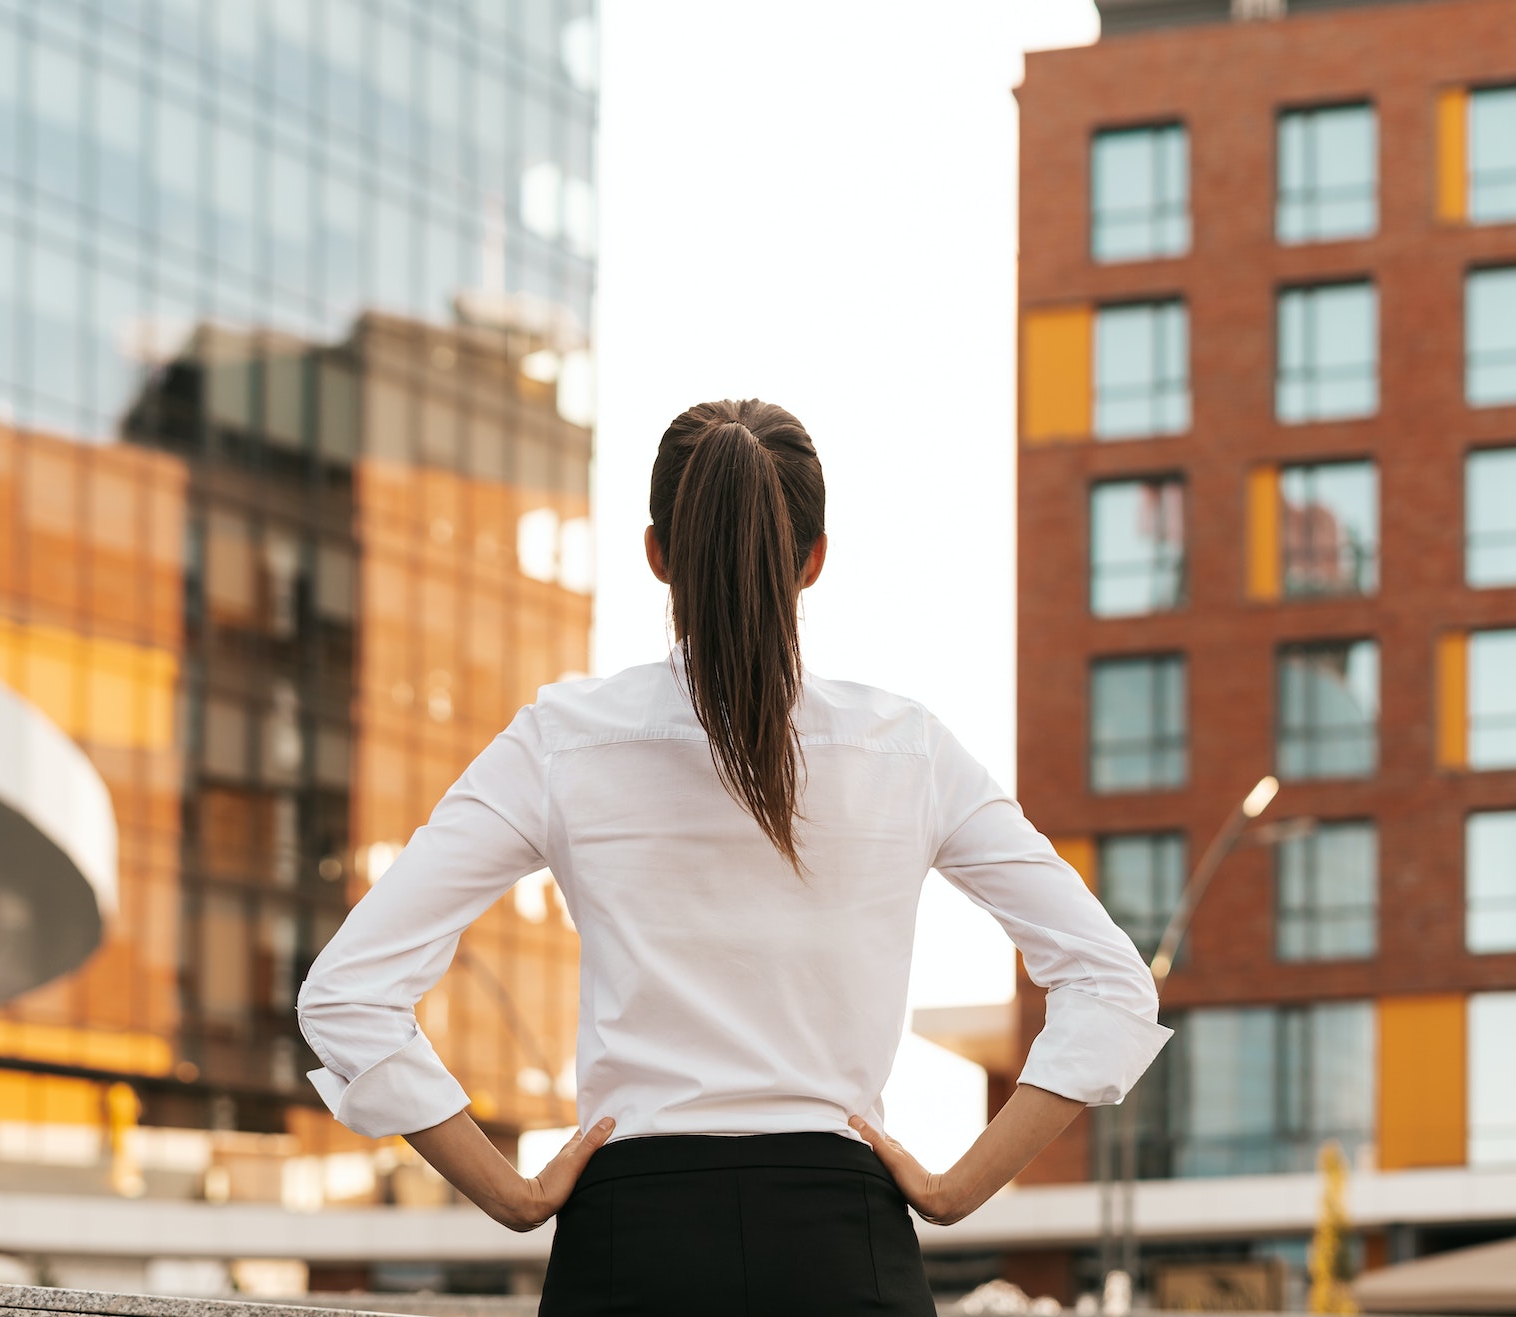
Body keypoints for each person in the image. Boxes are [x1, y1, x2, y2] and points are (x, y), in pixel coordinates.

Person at [298, 398, 1171, 1316]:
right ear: (816, 560)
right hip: (847, 1252)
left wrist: (508, 1192)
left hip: (627, 1250)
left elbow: (348, 993)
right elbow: (1112, 985)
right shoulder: (906, 750)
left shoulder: (561, 741)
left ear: (656, 555)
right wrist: (957, 1189)